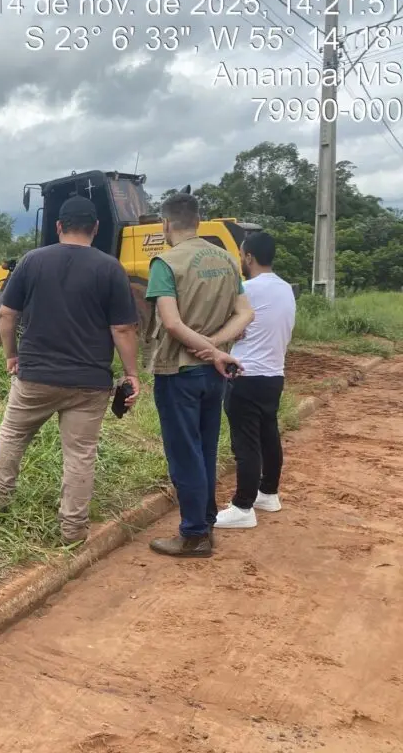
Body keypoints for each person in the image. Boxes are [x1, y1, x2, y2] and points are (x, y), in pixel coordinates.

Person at [0, 196, 141, 544]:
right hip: (89, 383)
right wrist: (131, 374)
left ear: (58, 226)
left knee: (12, 435)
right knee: (80, 454)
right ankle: (73, 532)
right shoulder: (110, 268)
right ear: (96, 228)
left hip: (36, 376)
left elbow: (7, 315)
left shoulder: (31, 261)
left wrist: (11, 355)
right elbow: (123, 329)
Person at [144, 191, 253, 558]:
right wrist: (218, 348)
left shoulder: (165, 262)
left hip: (179, 372)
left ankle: (193, 534)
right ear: (198, 221)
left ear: (165, 224)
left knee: (184, 453)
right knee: (205, 448)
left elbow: (172, 324)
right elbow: (244, 314)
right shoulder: (226, 259)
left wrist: (205, 347)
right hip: (215, 373)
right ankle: (205, 520)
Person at [214, 231, 296, 529]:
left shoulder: (247, 289)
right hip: (274, 374)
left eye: (241, 254)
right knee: (268, 435)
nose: (240, 259)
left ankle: (242, 506)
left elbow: (231, 326)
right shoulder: (286, 289)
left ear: (249, 257)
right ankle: (268, 493)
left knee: (245, 442)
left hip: (246, 374)